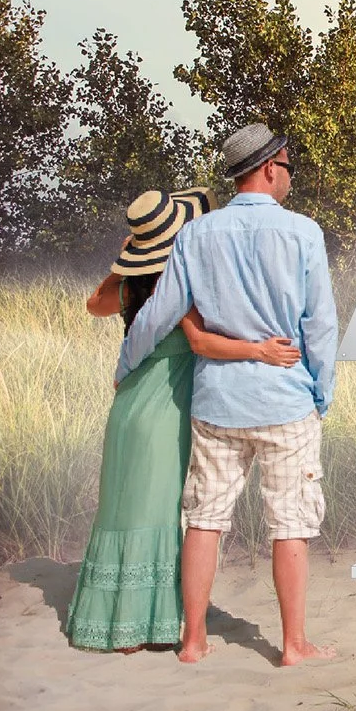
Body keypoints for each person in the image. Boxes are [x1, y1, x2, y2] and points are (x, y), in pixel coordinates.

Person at [115, 124, 338, 666]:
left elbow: (160, 311)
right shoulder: (303, 232)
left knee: (206, 518)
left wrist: (125, 366)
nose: (289, 177)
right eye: (287, 167)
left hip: (216, 402)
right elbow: (320, 325)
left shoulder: (196, 235)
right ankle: (293, 645)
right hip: (285, 403)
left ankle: (193, 641)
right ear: (267, 168)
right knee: (290, 522)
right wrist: (320, 393)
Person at [67, 188, 302, 653]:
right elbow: (200, 343)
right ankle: (141, 628)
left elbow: (95, 303)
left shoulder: (133, 288)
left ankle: (115, 620)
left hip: (130, 402)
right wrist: (261, 351)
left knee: (122, 508)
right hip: (164, 406)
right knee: (155, 512)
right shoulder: (177, 291)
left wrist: (126, 261)